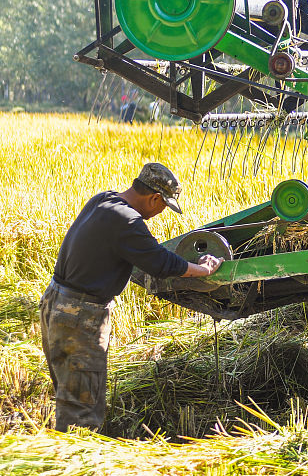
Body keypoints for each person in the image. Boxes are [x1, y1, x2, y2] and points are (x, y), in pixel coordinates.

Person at [40, 162, 222, 433]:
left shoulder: (103, 200)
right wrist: (202, 269)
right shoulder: (127, 221)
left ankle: (65, 456)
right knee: (82, 412)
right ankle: (77, 467)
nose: (161, 213)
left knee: (70, 396)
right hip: (81, 317)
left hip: (55, 304)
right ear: (154, 198)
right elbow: (160, 263)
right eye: (164, 207)